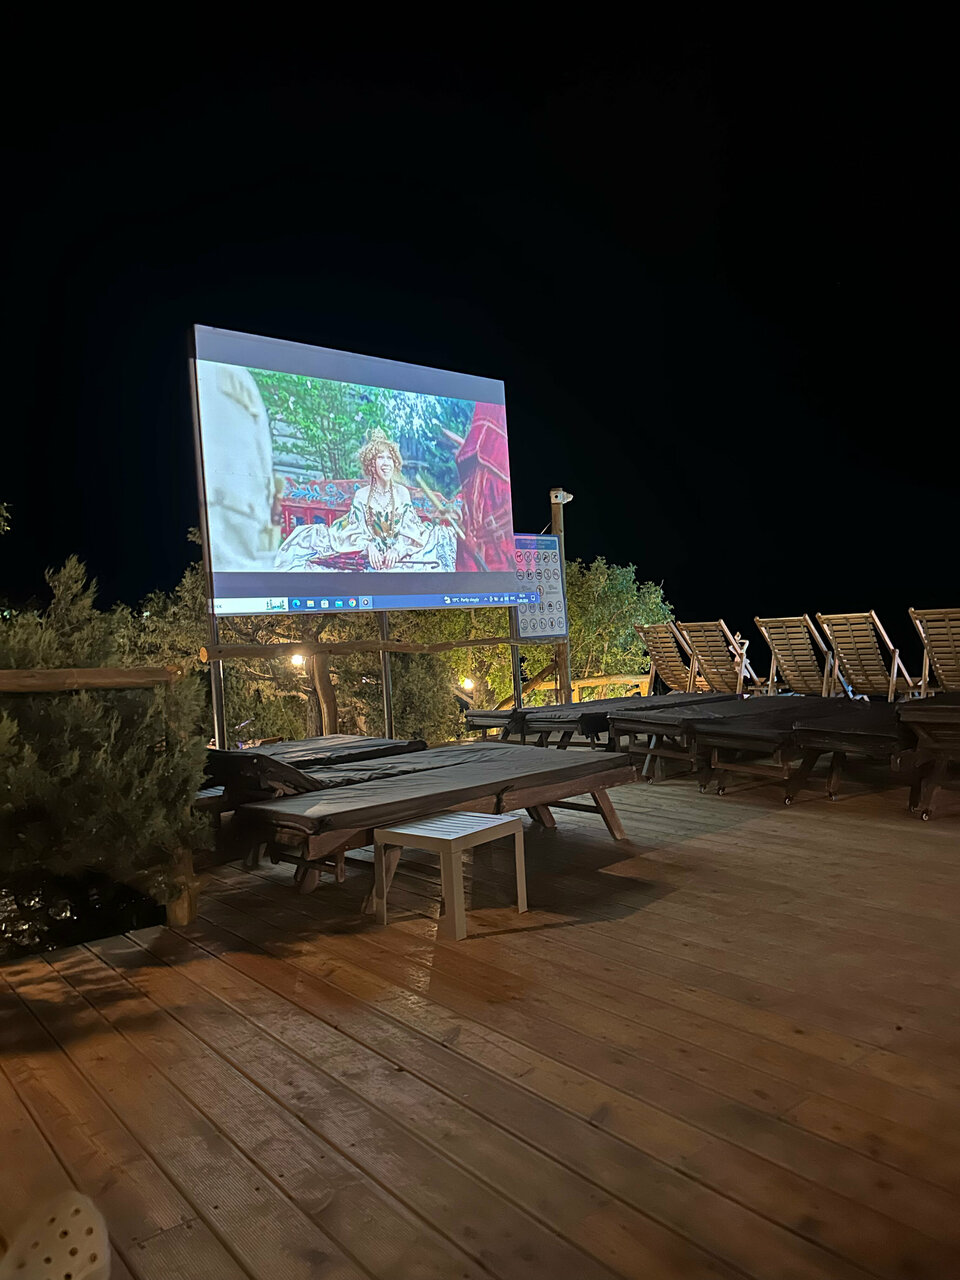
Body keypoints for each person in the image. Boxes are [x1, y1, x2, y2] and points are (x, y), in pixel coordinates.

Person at [275, 428, 457, 572]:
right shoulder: (362, 496)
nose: (386, 463)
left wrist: (398, 550)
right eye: (380, 458)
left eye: (389, 458)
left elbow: (411, 529)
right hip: (369, 560)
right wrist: (369, 548)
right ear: (371, 464)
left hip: (398, 558)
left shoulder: (402, 493)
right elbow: (356, 530)